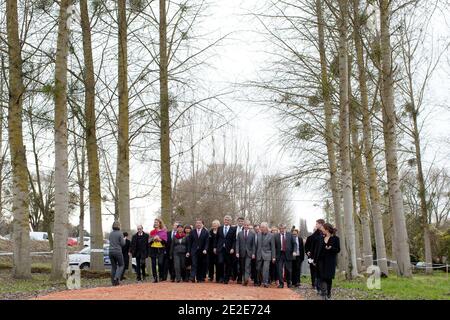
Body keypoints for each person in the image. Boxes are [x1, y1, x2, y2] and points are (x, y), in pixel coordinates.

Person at [314, 223, 340, 300]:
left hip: (330, 262)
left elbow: (338, 249)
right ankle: (323, 293)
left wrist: (331, 248)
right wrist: (315, 260)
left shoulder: (335, 239)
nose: (322, 230)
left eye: (323, 228)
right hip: (321, 261)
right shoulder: (320, 238)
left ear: (327, 229)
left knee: (328, 278)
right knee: (321, 277)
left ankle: (328, 292)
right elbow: (317, 251)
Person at [214, 215, 237, 284]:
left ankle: (226, 278)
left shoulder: (233, 229)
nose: (226, 221)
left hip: (229, 249)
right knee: (220, 262)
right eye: (225, 220)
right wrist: (215, 247)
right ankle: (221, 277)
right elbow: (216, 238)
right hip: (220, 249)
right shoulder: (220, 228)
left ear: (230, 221)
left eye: (228, 220)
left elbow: (234, 240)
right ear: (223, 220)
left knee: (228, 264)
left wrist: (233, 248)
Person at [274, 223, 297, 288]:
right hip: (279, 255)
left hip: (288, 254)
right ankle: (281, 284)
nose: (281, 230)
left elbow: (294, 244)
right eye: (280, 229)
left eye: (283, 228)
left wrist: (294, 251)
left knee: (288, 270)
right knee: (279, 269)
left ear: (285, 229)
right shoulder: (276, 236)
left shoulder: (290, 235)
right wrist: (274, 255)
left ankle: (289, 282)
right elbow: (274, 246)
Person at [305, 219, 325, 293]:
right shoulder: (311, 237)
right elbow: (306, 247)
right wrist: (308, 252)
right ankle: (314, 284)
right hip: (312, 256)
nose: (315, 225)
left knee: (320, 271)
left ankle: (320, 285)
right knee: (313, 270)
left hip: (321, 256)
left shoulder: (325, 234)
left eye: (316, 224)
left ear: (321, 224)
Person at [255, 222, 276, 288]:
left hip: (267, 254)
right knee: (258, 269)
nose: (261, 228)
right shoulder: (258, 234)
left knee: (265, 269)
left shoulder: (271, 235)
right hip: (259, 254)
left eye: (262, 227)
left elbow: (273, 247)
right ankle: (259, 281)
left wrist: (273, 257)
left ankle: (265, 282)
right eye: (261, 227)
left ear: (266, 227)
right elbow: (256, 245)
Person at [235, 220, 256, 286]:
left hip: (249, 253)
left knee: (247, 266)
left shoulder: (252, 234)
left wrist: (253, 253)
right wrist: (237, 252)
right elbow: (237, 244)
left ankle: (246, 279)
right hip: (241, 253)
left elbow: (253, 245)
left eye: (247, 225)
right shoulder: (240, 233)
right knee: (242, 266)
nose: (246, 226)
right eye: (245, 225)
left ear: (249, 225)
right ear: (243, 225)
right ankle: (244, 278)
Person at [149, 218, 168, 283]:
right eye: (155, 222)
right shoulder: (152, 232)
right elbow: (149, 242)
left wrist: (160, 239)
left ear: (160, 223)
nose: (156, 223)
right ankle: (155, 278)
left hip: (161, 249)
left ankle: (161, 276)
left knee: (160, 263)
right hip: (153, 249)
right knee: (153, 264)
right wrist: (153, 239)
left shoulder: (163, 232)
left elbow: (165, 242)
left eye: (157, 222)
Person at [109, 221, 125, 286]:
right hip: (117, 251)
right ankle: (116, 277)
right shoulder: (120, 233)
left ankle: (113, 282)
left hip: (110, 252)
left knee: (113, 267)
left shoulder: (110, 233)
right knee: (121, 265)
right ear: (119, 226)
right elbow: (123, 244)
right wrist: (124, 239)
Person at [234, 217, 245, 283]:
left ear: (243, 222)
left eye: (242, 221)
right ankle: (234, 276)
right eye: (239, 221)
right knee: (235, 263)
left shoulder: (245, 229)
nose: (240, 222)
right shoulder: (234, 228)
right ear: (237, 222)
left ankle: (240, 278)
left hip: (242, 249)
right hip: (234, 248)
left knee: (241, 264)